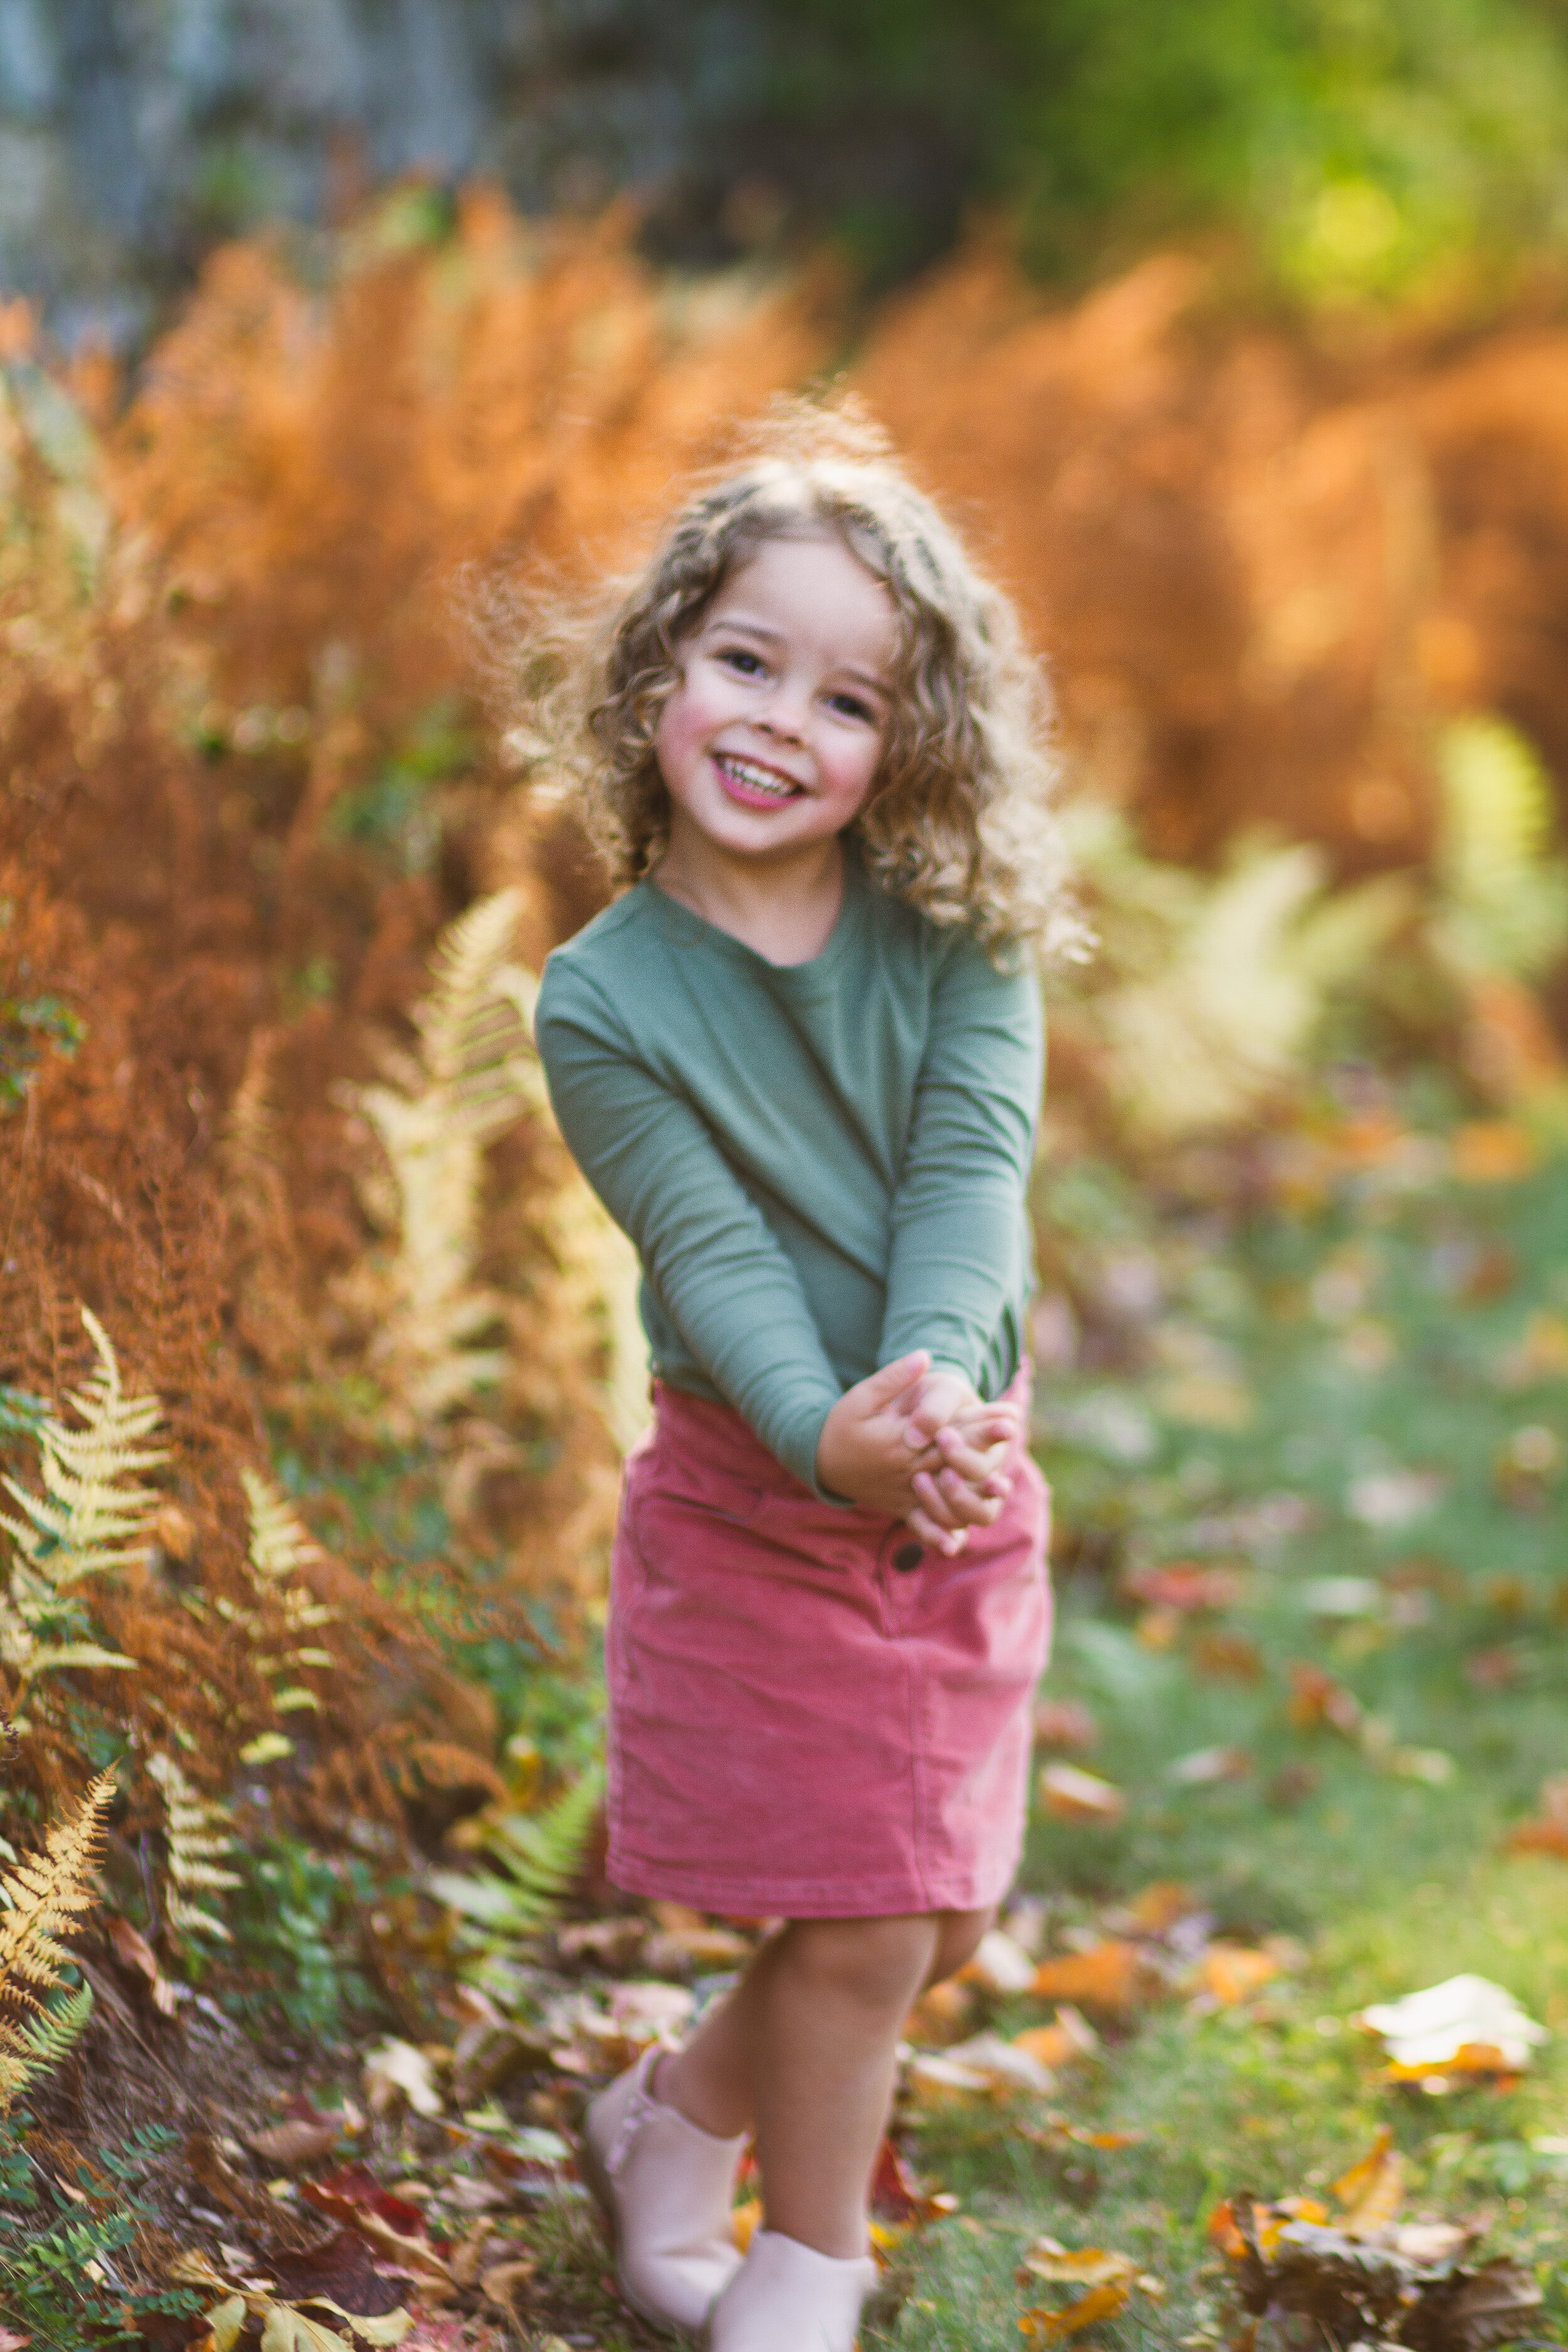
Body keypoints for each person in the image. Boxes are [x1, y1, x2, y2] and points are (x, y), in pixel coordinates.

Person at [531, 404, 1077, 2352]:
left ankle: (666, 2120)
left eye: (844, 700)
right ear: (661, 665)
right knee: (859, 1919)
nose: (779, 721)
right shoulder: (603, 998)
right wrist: (826, 1436)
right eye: (745, 659)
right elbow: (712, 1254)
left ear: (902, 751)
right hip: (763, 1498)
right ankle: (808, 2269)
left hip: (946, 1472)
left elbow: (966, 1178)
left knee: (937, 1915)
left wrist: (926, 1395)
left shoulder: (957, 939)